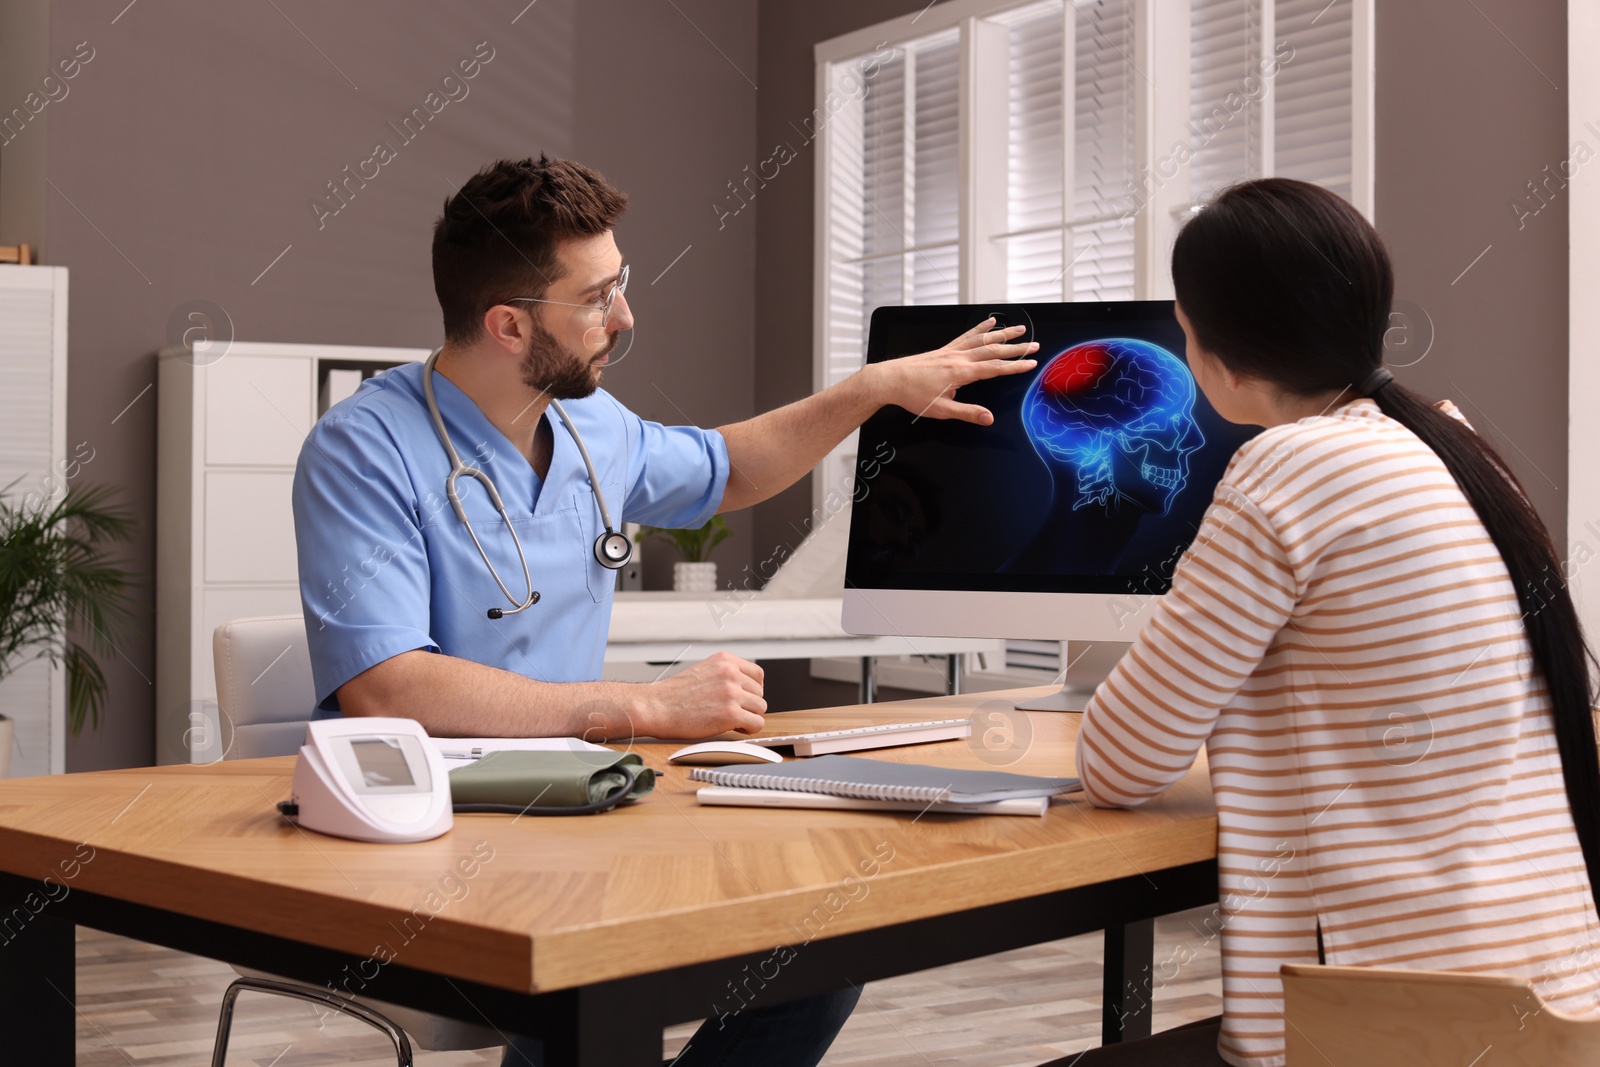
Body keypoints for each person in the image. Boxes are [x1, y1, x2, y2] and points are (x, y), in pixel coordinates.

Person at [290, 155, 1038, 1067]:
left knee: (818, 943)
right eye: (599, 297)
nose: (626, 317)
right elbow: (384, 685)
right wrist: (643, 707)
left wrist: (872, 388)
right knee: (608, 985)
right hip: (442, 824)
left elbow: (733, 468)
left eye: (623, 285)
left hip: (584, 799)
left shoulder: (589, 426)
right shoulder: (362, 449)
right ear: (509, 326)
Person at [1058, 178, 1600, 1067]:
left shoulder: (1289, 469)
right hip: (1553, 1007)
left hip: (1386, 1025)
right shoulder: (1453, 446)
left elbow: (1120, 760)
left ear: (1215, 351)